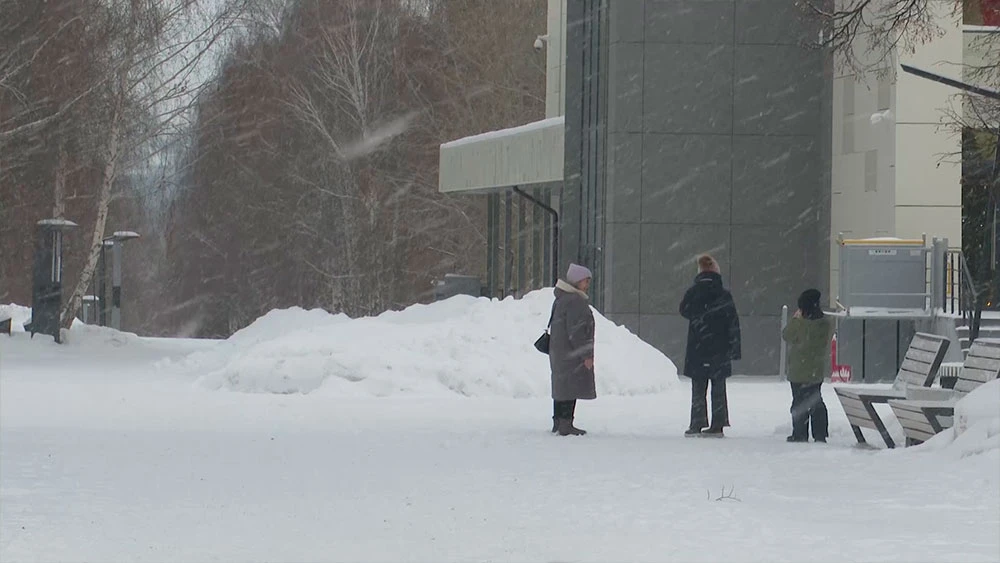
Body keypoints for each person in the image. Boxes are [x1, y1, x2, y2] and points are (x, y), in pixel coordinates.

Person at [680, 255, 741, 437]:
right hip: (720, 348)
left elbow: (684, 310)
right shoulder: (724, 294)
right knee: (718, 386)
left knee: (698, 387)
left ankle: (697, 422)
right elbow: (733, 322)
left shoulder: (693, 292)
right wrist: (734, 348)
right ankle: (718, 423)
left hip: (698, 346)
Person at [549, 263, 596, 436]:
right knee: (570, 386)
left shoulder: (561, 298)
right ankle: (566, 424)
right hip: (571, 353)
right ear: (577, 281)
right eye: (585, 281)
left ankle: (558, 421)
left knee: (561, 386)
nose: (587, 284)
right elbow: (578, 332)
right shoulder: (575, 301)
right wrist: (586, 354)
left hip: (559, 351)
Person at [782, 289, 834, 443]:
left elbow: (787, 335)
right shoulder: (824, 323)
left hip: (798, 370)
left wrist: (795, 319)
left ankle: (800, 433)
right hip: (815, 370)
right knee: (816, 401)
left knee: (798, 402)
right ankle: (820, 433)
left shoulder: (799, 324)